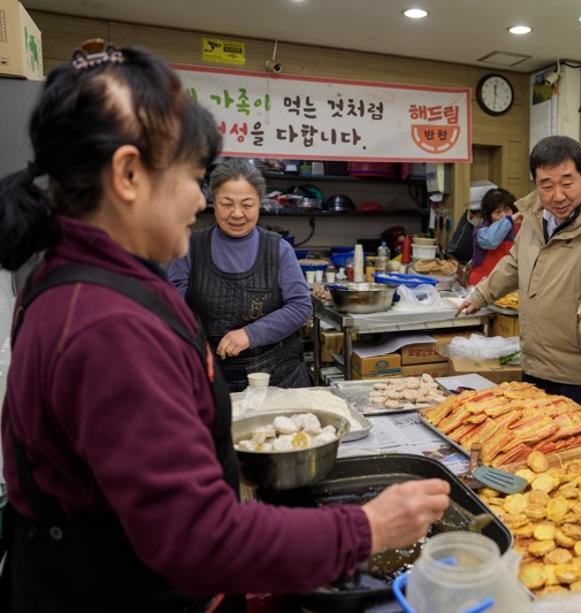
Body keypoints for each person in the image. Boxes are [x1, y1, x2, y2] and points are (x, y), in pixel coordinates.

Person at [0, 40, 449, 612]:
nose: (201, 202)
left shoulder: (87, 280)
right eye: (195, 178)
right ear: (129, 174)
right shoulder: (105, 324)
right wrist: (368, 527)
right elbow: (199, 537)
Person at [456, 135, 581, 412]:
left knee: (573, 452)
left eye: (567, 183)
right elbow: (514, 263)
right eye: (546, 186)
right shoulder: (534, 217)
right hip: (534, 363)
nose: (558, 196)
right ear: (535, 183)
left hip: (577, 372)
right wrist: (480, 295)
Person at [168, 158, 310, 392]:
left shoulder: (278, 249)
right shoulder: (190, 248)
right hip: (210, 377)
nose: (236, 214)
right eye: (226, 203)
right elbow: (171, 308)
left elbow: (300, 306)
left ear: (259, 203)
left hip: (277, 377)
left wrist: (250, 334)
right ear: (213, 201)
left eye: (247, 204)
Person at [468, 187, 520, 286]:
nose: (504, 216)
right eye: (497, 212)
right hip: (481, 284)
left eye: (507, 210)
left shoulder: (518, 229)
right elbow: (491, 241)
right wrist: (509, 220)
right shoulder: (481, 231)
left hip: (507, 286)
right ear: (489, 215)